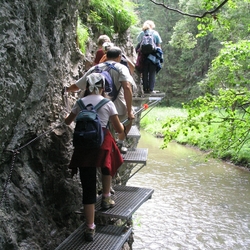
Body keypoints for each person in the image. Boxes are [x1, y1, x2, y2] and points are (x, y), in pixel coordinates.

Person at [64, 73, 124, 242]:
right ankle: (106, 197)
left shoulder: (80, 103)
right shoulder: (108, 103)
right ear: (104, 87)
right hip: (102, 146)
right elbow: (118, 129)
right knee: (107, 165)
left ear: (88, 87)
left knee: (88, 188)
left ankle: (90, 227)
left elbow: (68, 122)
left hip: (83, 148)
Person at [65, 46, 135, 154]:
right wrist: (130, 111)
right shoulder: (122, 68)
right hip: (116, 107)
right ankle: (120, 143)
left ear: (106, 56)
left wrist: (67, 89)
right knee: (129, 119)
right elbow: (127, 87)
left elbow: (78, 85)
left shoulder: (95, 68)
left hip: (92, 107)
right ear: (119, 57)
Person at [136, 20, 162, 94]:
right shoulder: (155, 33)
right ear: (152, 26)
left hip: (143, 56)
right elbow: (159, 45)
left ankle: (145, 89)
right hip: (153, 57)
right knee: (152, 73)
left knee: (144, 73)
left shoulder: (142, 33)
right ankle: (151, 89)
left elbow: (139, 43)